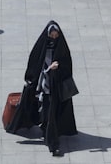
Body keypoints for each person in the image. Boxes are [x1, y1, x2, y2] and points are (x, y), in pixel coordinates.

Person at [5, 21, 78, 157]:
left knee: (51, 114)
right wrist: (32, 79)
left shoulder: (61, 49)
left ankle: (53, 144)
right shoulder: (42, 47)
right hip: (41, 86)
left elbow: (67, 67)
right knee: (42, 110)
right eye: (52, 35)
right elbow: (34, 63)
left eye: (56, 36)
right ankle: (43, 127)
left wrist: (58, 67)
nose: (54, 38)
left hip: (54, 89)